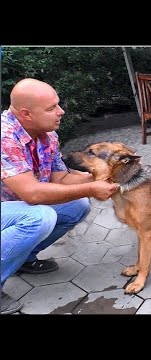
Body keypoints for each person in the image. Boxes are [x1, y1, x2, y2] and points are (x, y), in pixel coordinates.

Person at [1, 78, 119, 314]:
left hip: (16, 204)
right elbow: (32, 193)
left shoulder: (47, 134)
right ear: (26, 114)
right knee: (39, 218)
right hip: (12, 205)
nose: (61, 111)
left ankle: (23, 259)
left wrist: (110, 175)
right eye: (51, 108)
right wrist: (91, 188)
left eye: (58, 104)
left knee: (78, 205)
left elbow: (61, 179)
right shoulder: (5, 137)